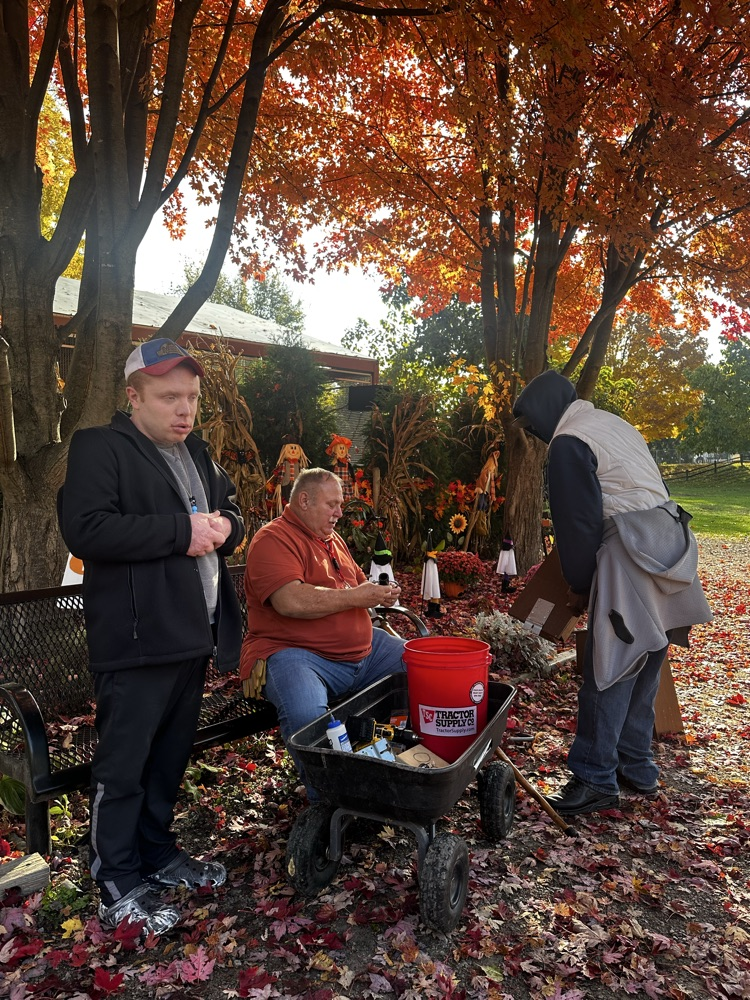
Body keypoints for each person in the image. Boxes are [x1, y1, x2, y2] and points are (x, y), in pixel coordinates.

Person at [58, 337, 245, 936]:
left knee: (168, 760)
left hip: (194, 635)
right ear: (133, 396)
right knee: (126, 765)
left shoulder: (200, 456)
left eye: (190, 397)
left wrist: (228, 526)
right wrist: (180, 531)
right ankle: (115, 873)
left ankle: (157, 853)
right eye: (169, 397)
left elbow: (229, 513)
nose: (184, 410)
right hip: (136, 640)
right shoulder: (100, 449)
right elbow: (86, 529)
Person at [512, 370, 712, 816]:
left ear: (543, 415)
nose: (538, 436)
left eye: (533, 426)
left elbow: (577, 525)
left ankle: (594, 777)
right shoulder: (613, 423)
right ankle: (636, 766)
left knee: (609, 666)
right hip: (668, 539)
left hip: (629, 549)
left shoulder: (568, 443)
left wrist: (580, 588)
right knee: (647, 656)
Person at [240, 468, 405, 793]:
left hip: (364, 653)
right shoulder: (273, 539)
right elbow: (289, 601)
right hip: (295, 655)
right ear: (304, 500)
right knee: (307, 715)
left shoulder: (331, 538)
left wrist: (381, 590)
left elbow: (358, 585)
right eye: (332, 504)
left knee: (420, 665)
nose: (339, 513)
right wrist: (358, 596)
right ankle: (329, 797)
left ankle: (384, 761)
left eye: (340, 504)